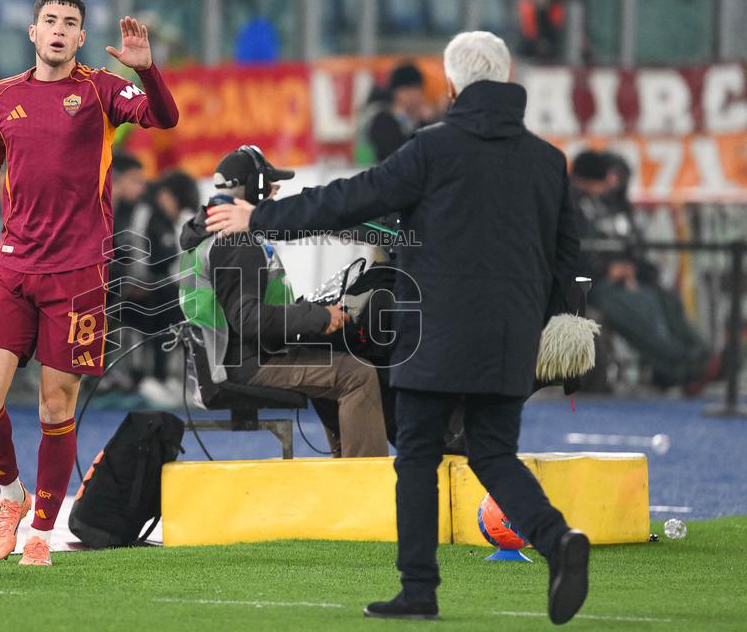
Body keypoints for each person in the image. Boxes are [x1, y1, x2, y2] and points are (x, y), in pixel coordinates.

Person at [204, 32, 589, 624]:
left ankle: (419, 590)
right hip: (512, 335)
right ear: (508, 76)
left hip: (437, 331)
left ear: (453, 83)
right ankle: (556, 537)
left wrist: (265, 217)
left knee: (415, 456)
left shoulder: (432, 148)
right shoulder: (547, 160)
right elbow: (567, 255)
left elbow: (352, 199)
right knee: (492, 450)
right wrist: (562, 324)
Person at [0, 0, 178, 567]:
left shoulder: (100, 89)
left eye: (69, 23)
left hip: (80, 275)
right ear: (32, 31)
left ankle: (42, 529)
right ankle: (11, 497)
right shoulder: (0, 98)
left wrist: (147, 71)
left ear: (78, 37)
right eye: (49, 20)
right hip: (13, 268)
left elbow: (164, 118)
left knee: (55, 406)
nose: (57, 30)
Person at [180, 146, 389, 458]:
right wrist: (318, 317)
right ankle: (366, 482)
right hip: (247, 362)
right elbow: (249, 320)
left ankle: (346, 464)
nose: (276, 189)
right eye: (269, 183)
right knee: (357, 375)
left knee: (326, 355)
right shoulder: (238, 241)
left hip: (232, 357)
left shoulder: (210, 230)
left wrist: (313, 314)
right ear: (252, 187)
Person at [570, 150, 720, 393]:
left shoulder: (609, 203)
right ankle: (682, 368)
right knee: (640, 309)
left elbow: (629, 244)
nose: (612, 184)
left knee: (666, 300)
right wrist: (608, 269)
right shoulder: (567, 203)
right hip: (589, 283)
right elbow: (570, 253)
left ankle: (702, 357)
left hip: (623, 278)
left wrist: (637, 270)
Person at [110, 153, 182, 403]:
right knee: (162, 300)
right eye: (135, 180)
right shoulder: (101, 209)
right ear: (114, 182)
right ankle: (137, 377)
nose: (141, 187)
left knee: (170, 298)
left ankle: (158, 377)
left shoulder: (139, 211)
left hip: (124, 288)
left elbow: (154, 257)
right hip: (102, 289)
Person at [365, 63, 435, 163]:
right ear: (394, 92)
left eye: (416, 89)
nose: (412, 95)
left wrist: (425, 123)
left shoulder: (425, 121)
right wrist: (405, 119)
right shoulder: (382, 118)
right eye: (406, 90)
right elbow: (392, 156)